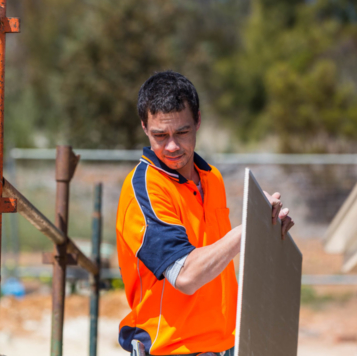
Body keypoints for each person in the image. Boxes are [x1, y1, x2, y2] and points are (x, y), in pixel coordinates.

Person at [116, 71, 294, 356]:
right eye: (160, 135)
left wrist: (268, 228)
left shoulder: (212, 178)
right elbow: (185, 276)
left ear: (198, 121)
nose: (172, 146)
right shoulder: (145, 189)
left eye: (182, 132)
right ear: (144, 127)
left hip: (223, 346)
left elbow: (218, 258)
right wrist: (248, 228)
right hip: (171, 349)